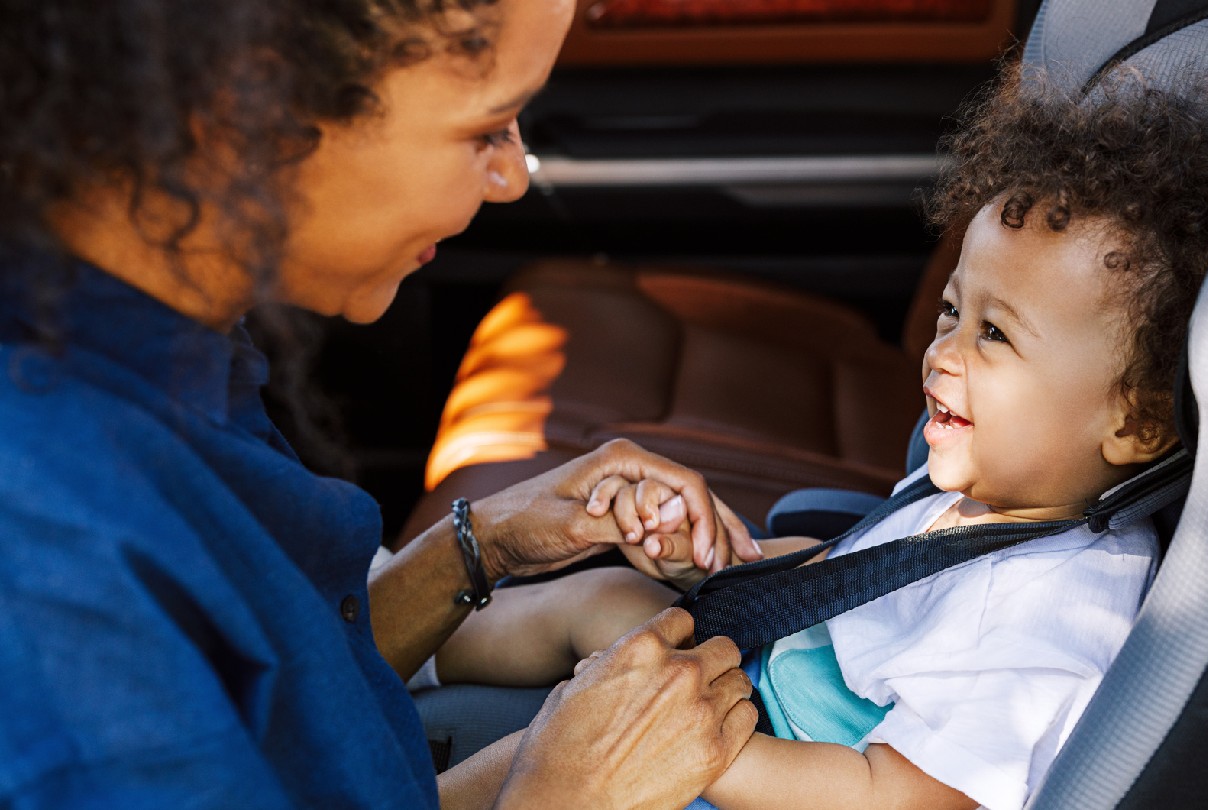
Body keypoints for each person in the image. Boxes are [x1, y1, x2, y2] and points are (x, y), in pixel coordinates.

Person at [421, 73, 1208, 809]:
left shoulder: (1058, 612)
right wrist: (737, 562)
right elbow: (867, 579)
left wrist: (712, 753)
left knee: (568, 733)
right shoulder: (993, 490)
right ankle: (407, 657)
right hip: (777, 697)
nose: (943, 352)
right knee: (608, 601)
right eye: (954, 312)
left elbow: (905, 798)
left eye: (996, 336)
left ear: (1137, 421)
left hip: (788, 768)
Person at [0, 0, 767, 806]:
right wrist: (562, 795)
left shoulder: (157, 338)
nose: (511, 178)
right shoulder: (48, 551)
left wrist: (482, 548)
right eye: (487, 130)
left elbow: (290, 700)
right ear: (251, 109)